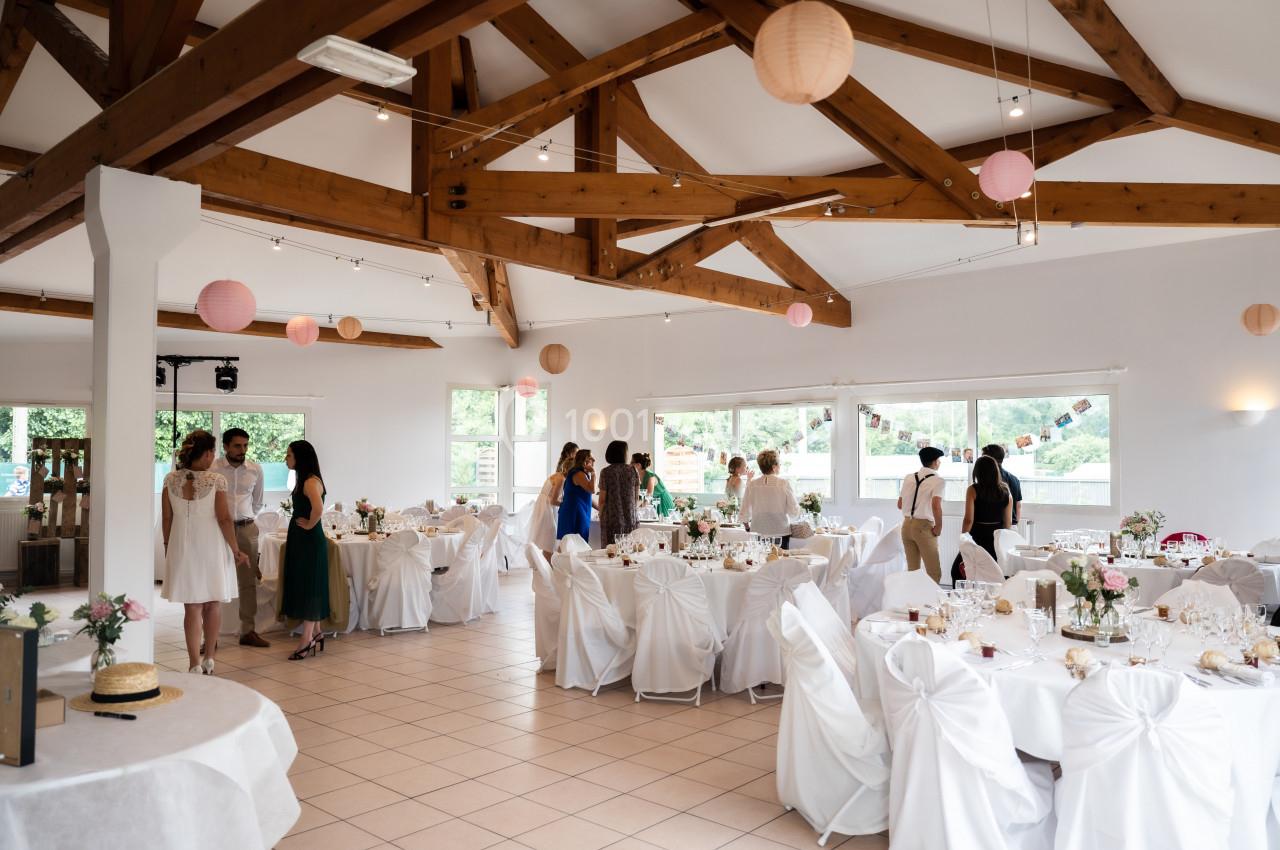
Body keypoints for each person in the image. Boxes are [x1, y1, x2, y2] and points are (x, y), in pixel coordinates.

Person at [160, 430, 248, 675]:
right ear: (208, 453)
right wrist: (236, 549)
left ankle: (193, 663)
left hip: (182, 546)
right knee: (212, 604)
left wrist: (169, 547)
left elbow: (166, 518)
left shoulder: (170, 479)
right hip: (211, 545)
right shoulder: (216, 480)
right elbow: (224, 519)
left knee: (192, 607)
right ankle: (209, 657)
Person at [210, 428, 270, 648]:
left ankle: (248, 631)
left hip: (246, 528)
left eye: (245, 445)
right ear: (225, 446)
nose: (242, 450)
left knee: (248, 582)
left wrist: (244, 517)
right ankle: (210, 637)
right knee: (213, 579)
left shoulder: (255, 469)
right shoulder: (212, 468)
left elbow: (257, 501)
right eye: (237, 445)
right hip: (217, 530)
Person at [279, 440, 329, 661]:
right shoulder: (306, 480)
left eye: (289, 455)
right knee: (308, 582)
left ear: (300, 457)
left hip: (308, 538)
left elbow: (318, 508)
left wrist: (309, 524)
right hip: (302, 537)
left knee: (310, 585)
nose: (286, 459)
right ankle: (317, 633)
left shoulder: (309, 482)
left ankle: (306, 640)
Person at [898, 446, 946, 582]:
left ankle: (913, 602)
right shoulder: (938, 481)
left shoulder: (908, 478)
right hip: (924, 528)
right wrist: (939, 527)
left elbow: (900, 504)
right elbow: (936, 505)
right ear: (935, 462)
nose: (940, 463)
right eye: (939, 460)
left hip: (906, 526)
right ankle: (932, 603)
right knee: (934, 572)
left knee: (913, 572)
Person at [741, 449, 800, 549]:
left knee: (759, 562)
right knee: (781, 563)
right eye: (779, 464)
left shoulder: (752, 484)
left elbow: (744, 510)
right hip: (781, 531)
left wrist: (747, 527)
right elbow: (793, 511)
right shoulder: (783, 483)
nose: (780, 466)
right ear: (774, 467)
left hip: (758, 531)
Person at [529, 442, 577, 559]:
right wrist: (566, 504)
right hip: (546, 507)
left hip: (543, 505)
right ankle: (547, 564)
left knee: (548, 539)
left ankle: (546, 564)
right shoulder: (561, 479)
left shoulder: (558, 475)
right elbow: (553, 501)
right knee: (549, 538)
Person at [963, 455, 1012, 561]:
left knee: (963, 569)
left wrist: (963, 538)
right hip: (997, 536)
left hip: (977, 534)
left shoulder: (972, 490)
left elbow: (968, 520)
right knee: (995, 568)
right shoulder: (1005, 490)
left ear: (977, 472)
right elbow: (1008, 522)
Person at [597, 440, 638, 546]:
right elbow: (636, 498)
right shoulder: (633, 470)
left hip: (611, 519)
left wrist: (600, 516)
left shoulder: (605, 472)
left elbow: (602, 500)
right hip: (630, 517)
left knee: (609, 551)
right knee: (628, 551)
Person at [556, 448, 594, 544]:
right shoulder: (578, 473)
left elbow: (586, 495)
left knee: (574, 544)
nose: (594, 460)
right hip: (574, 513)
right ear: (584, 460)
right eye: (591, 458)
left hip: (577, 511)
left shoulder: (581, 473)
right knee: (573, 544)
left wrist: (601, 508)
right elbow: (592, 489)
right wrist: (594, 473)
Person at [981, 444, 1023, 525]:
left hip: (996, 527)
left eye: (983, 457)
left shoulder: (988, 480)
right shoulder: (1014, 479)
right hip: (1012, 526)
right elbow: (1018, 505)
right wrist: (1014, 524)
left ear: (990, 459)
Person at [632, 452, 674, 517]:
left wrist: (637, 508)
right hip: (649, 503)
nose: (629, 465)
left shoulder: (651, 476)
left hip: (660, 501)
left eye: (631, 462)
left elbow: (649, 496)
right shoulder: (635, 476)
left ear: (638, 465)